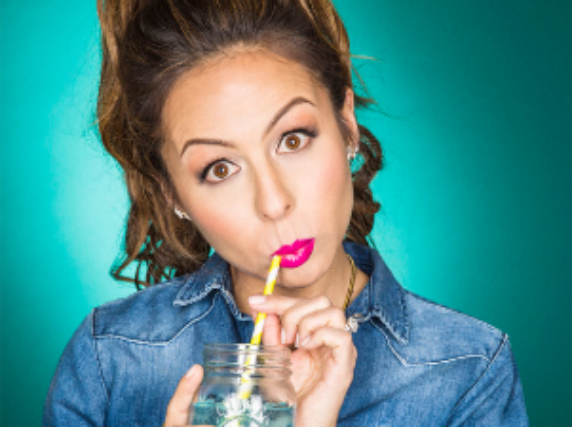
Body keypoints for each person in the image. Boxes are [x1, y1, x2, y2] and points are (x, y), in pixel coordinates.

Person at [43, 0, 529, 425]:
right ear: (173, 194)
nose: (274, 203)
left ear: (346, 123)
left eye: (292, 140)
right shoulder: (110, 359)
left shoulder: (468, 371)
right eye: (220, 169)